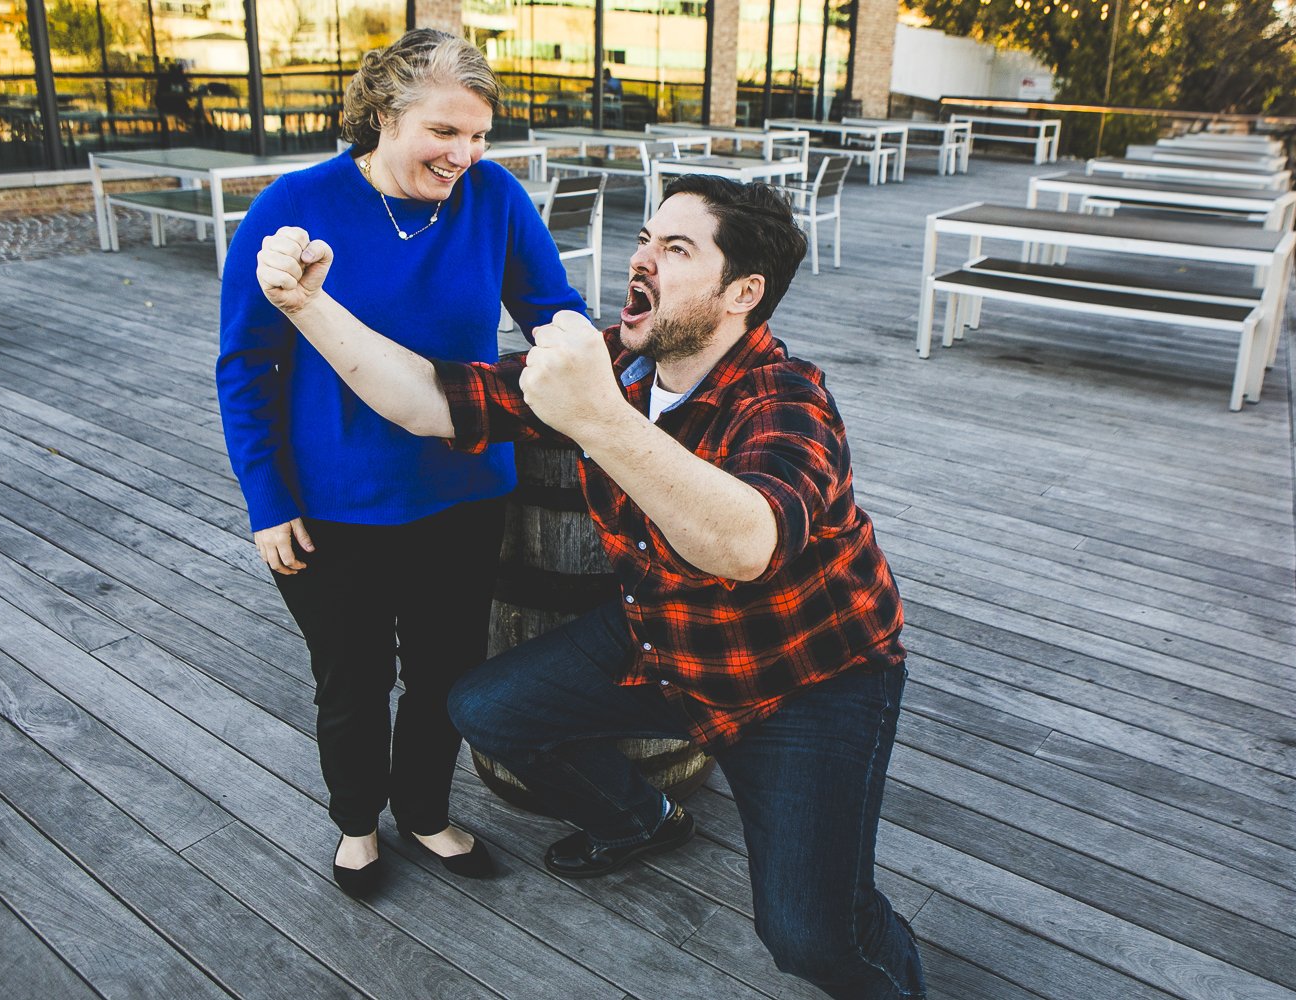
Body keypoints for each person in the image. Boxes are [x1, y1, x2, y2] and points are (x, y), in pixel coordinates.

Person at [253, 175, 927, 997]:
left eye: (676, 249)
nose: (641, 258)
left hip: (804, 682)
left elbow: (747, 543)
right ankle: (644, 819)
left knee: (811, 938)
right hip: (667, 640)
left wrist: (599, 419)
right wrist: (306, 307)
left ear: (741, 292)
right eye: (646, 237)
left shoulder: (787, 398)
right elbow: (431, 402)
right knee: (484, 708)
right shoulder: (618, 363)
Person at [217, 28, 585, 897]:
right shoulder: (293, 205)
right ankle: (356, 822)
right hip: (333, 504)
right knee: (351, 680)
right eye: (445, 133)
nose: (466, 155)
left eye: (480, 136)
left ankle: (423, 811)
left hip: (463, 493)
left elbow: (556, 313)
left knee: (444, 675)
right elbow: (245, 366)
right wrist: (266, 502)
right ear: (382, 115)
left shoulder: (494, 198)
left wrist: (646, 361)